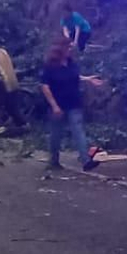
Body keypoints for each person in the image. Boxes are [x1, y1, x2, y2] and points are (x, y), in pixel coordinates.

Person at [40, 39, 97, 172]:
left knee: (78, 131)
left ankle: (85, 160)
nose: (71, 49)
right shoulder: (50, 66)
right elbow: (45, 86)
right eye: (69, 47)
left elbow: (74, 76)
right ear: (61, 48)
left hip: (74, 103)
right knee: (56, 134)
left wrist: (87, 79)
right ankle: (54, 160)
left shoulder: (71, 63)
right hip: (57, 104)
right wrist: (54, 106)